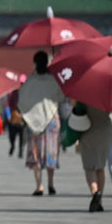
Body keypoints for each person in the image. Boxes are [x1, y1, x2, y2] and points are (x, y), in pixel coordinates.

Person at [18, 51, 66, 196]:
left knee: (36, 153)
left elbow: (22, 100)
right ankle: (51, 183)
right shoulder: (54, 80)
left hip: (33, 121)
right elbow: (61, 97)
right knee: (51, 152)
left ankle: (39, 185)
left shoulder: (30, 81)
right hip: (51, 120)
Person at [76, 104, 112, 211]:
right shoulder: (108, 94)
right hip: (105, 131)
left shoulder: (84, 94)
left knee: (89, 167)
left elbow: (77, 112)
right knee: (100, 166)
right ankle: (99, 199)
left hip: (87, 130)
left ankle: (95, 192)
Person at [6, 75, 27, 158]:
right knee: (12, 135)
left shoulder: (27, 93)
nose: (22, 85)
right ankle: (12, 145)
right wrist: (8, 115)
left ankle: (21, 150)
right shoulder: (13, 93)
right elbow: (8, 105)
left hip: (23, 116)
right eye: (21, 83)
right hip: (13, 116)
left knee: (22, 135)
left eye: (23, 83)